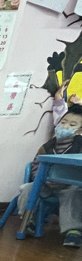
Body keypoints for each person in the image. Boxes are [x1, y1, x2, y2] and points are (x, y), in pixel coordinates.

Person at [17, 102, 82, 247]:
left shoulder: (80, 146)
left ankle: (74, 231)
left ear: (79, 131)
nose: (65, 126)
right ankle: (28, 221)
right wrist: (42, 179)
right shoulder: (47, 146)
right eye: (63, 122)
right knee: (27, 189)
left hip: (69, 186)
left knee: (74, 192)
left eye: (72, 125)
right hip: (46, 184)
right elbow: (36, 165)